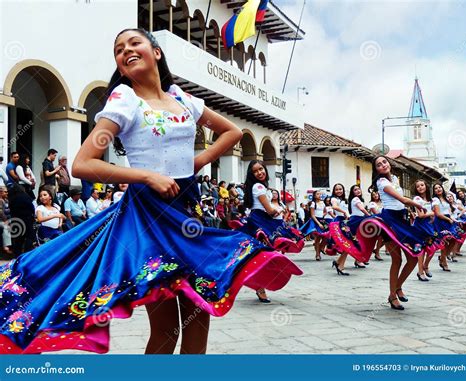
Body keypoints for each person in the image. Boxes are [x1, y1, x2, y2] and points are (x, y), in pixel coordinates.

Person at [0, 28, 302, 355]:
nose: (126, 50)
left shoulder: (183, 98)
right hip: (148, 219)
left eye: (134, 43)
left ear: (155, 51)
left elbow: (231, 132)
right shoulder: (125, 99)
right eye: (119, 49)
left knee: (199, 316)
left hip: (190, 213)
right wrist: (147, 176)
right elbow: (83, 164)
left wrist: (198, 160)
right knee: (166, 329)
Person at [240, 160, 304, 303]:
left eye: (261, 169)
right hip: (261, 220)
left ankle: (259, 284)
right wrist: (279, 210)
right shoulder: (258, 187)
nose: (259, 172)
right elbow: (270, 211)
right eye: (255, 171)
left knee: (263, 254)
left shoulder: (260, 187)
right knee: (266, 254)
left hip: (260, 219)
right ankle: (259, 285)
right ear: (252, 174)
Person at [371, 156, 428, 310]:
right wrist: (417, 205)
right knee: (397, 260)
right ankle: (393, 295)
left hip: (402, 219)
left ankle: (397, 287)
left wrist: (410, 211)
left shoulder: (395, 178)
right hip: (389, 221)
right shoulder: (381, 182)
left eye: (384, 162)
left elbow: (401, 203)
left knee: (413, 258)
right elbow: (402, 199)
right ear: (376, 170)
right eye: (379, 165)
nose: (383, 165)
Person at [412, 179, 437, 281]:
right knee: (420, 249)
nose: (420, 187)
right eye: (418, 186)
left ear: (426, 186)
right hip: (420, 226)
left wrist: (433, 216)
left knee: (433, 247)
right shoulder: (417, 199)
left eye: (422, 185)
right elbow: (421, 215)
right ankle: (420, 271)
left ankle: (425, 266)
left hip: (429, 226)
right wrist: (432, 214)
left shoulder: (431, 200)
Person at [299, 191, 329, 261]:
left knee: (326, 236)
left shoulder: (323, 203)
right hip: (315, 221)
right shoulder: (313, 203)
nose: (319, 195)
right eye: (318, 194)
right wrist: (318, 223)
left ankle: (321, 248)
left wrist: (323, 216)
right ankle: (317, 254)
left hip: (322, 220)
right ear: (314, 195)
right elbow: (312, 215)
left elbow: (325, 211)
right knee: (317, 238)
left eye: (320, 194)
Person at [8, 184, 35, 256]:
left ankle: (17, 256)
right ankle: (26, 254)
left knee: (18, 240)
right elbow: (32, 208)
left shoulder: (11, 199)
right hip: (27, 220)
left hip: (16, 221)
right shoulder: (26, 197)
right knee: (30, 237)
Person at [367, 190, 384, 261]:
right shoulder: (372, 203)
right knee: (373, 239)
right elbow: (376, 213)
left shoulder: (383, 202)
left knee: (382, 238)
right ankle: (368, 252)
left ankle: (377, 252)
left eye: (376, 194)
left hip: (383, 222)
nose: (375, 195)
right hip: (375, 223)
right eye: (373, 195)